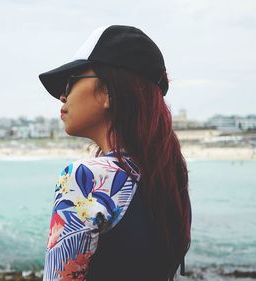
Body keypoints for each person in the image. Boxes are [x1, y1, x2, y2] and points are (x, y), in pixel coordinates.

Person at [38, 25, 192, 281]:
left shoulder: (86, 177)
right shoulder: (169, 178)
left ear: (108, 92)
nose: (63, 96)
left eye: (72, 81)